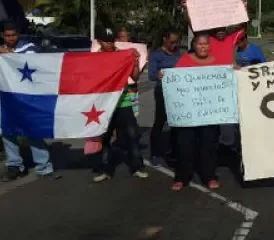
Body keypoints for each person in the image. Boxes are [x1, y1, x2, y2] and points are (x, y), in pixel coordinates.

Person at [0, 21, 56, 180]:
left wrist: (1, 52)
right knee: (8, 130)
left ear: (18, 34)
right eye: (7, 36)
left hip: (28, 97)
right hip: (7, 97)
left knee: (32, 130)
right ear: (3, 36)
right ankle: (14, 165)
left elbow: (23, 62)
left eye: (14, 35)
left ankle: (44, 166)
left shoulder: (28, 48)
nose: (11, 38)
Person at [92, 27, 147, 183]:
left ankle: (137, 167)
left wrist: (135, 63)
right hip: (104, 105)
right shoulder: (94, 58)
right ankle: (105, 169)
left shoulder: (122, 55)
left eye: (112, 41)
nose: (110, 44)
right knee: (105, 138)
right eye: (106, 41)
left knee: (132, 136)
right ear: (99, 42)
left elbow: (134, 78)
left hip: (123, 102)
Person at [171, 33, 223, 191]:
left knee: (208, 145)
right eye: (199, 44)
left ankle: (209, 176)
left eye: (206, 44)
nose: (203, 47)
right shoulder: (184, 60)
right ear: (194, 46)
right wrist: (164, 76)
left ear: (209, 46)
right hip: (188, 112)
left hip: (210, 113)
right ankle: (182, 177)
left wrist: (234, 71)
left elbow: (225, 81)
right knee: (184, 145)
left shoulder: (217, 62)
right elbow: (174, 81)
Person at [148, 29, 182, 166]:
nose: (175, 45)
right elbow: (151, 75)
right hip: (162, 91)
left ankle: (173, 151)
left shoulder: (178, 53)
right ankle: (155, 153)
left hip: (178, 92)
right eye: (172, 42)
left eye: (177, 42)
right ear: (165, 39)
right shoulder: (156, 55)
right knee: (160, 121)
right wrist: (159, 75)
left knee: (176, 122)